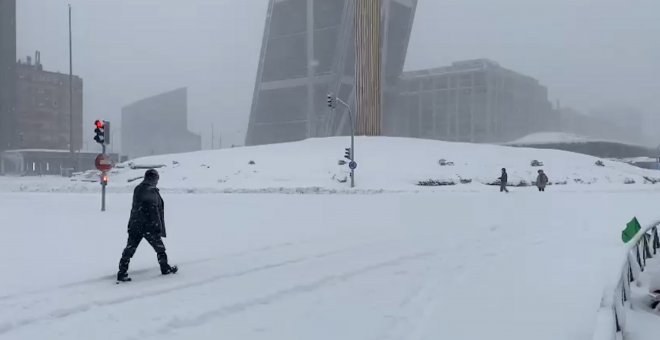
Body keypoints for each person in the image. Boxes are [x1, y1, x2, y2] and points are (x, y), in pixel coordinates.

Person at [116, 169, 177, 282]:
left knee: (130, 248)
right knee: (160, 248)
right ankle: (165, 268)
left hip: (135, 224)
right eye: (157, 179)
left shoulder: (140, 188)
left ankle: (122, 271)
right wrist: (157, 225)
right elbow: (153, 209)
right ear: (153, 178)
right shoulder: (149, 190)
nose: (157, 181)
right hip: (148, 225)